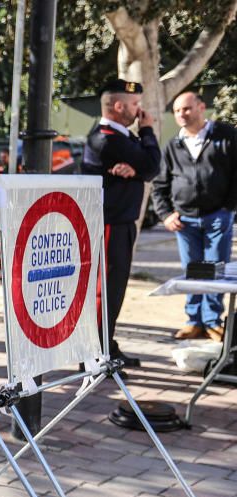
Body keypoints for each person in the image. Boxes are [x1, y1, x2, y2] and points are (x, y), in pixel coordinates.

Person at [81, 79, 161, 367]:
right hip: (110, 224)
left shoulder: (121, 136)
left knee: (115, 290)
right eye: (135, 105)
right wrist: (149, 130)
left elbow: (147, 169)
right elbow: (153, 164)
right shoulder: (107, 138)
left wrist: (137, 171)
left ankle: (107, 345)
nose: (141, 111)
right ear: (118, 106)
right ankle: (94, 355)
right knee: (105, 291)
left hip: (121, 222)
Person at [152, 91, 237, 341]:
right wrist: (166, 214)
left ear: (201, 107)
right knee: (192, 270)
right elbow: (159, 185)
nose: (181, 114)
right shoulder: (172, 145)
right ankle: (194, 321)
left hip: (217, 218)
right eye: (177, 111)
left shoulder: (226, 136)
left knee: (214, 270)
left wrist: (228, 208)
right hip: (184, 220)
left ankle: (212, 320)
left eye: (186, 109)